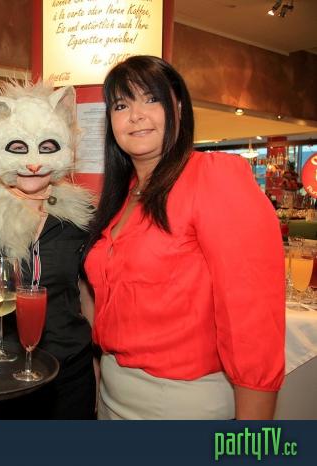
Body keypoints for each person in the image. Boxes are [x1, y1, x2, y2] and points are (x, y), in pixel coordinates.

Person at [83, 55, 284, 420]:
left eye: (151, 99)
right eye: (121, 105)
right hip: (112, 394)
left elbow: (253, 318)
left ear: (177, 106)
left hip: (180, 404)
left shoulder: (213, 177)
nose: (136, 115)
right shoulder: (122, 195)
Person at [0, 81, 97, 419]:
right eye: (18, 148)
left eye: (47, 147)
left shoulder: (79, 217)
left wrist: (97, 366)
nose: (33, 163)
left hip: (71, 376)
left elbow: (86, 293)